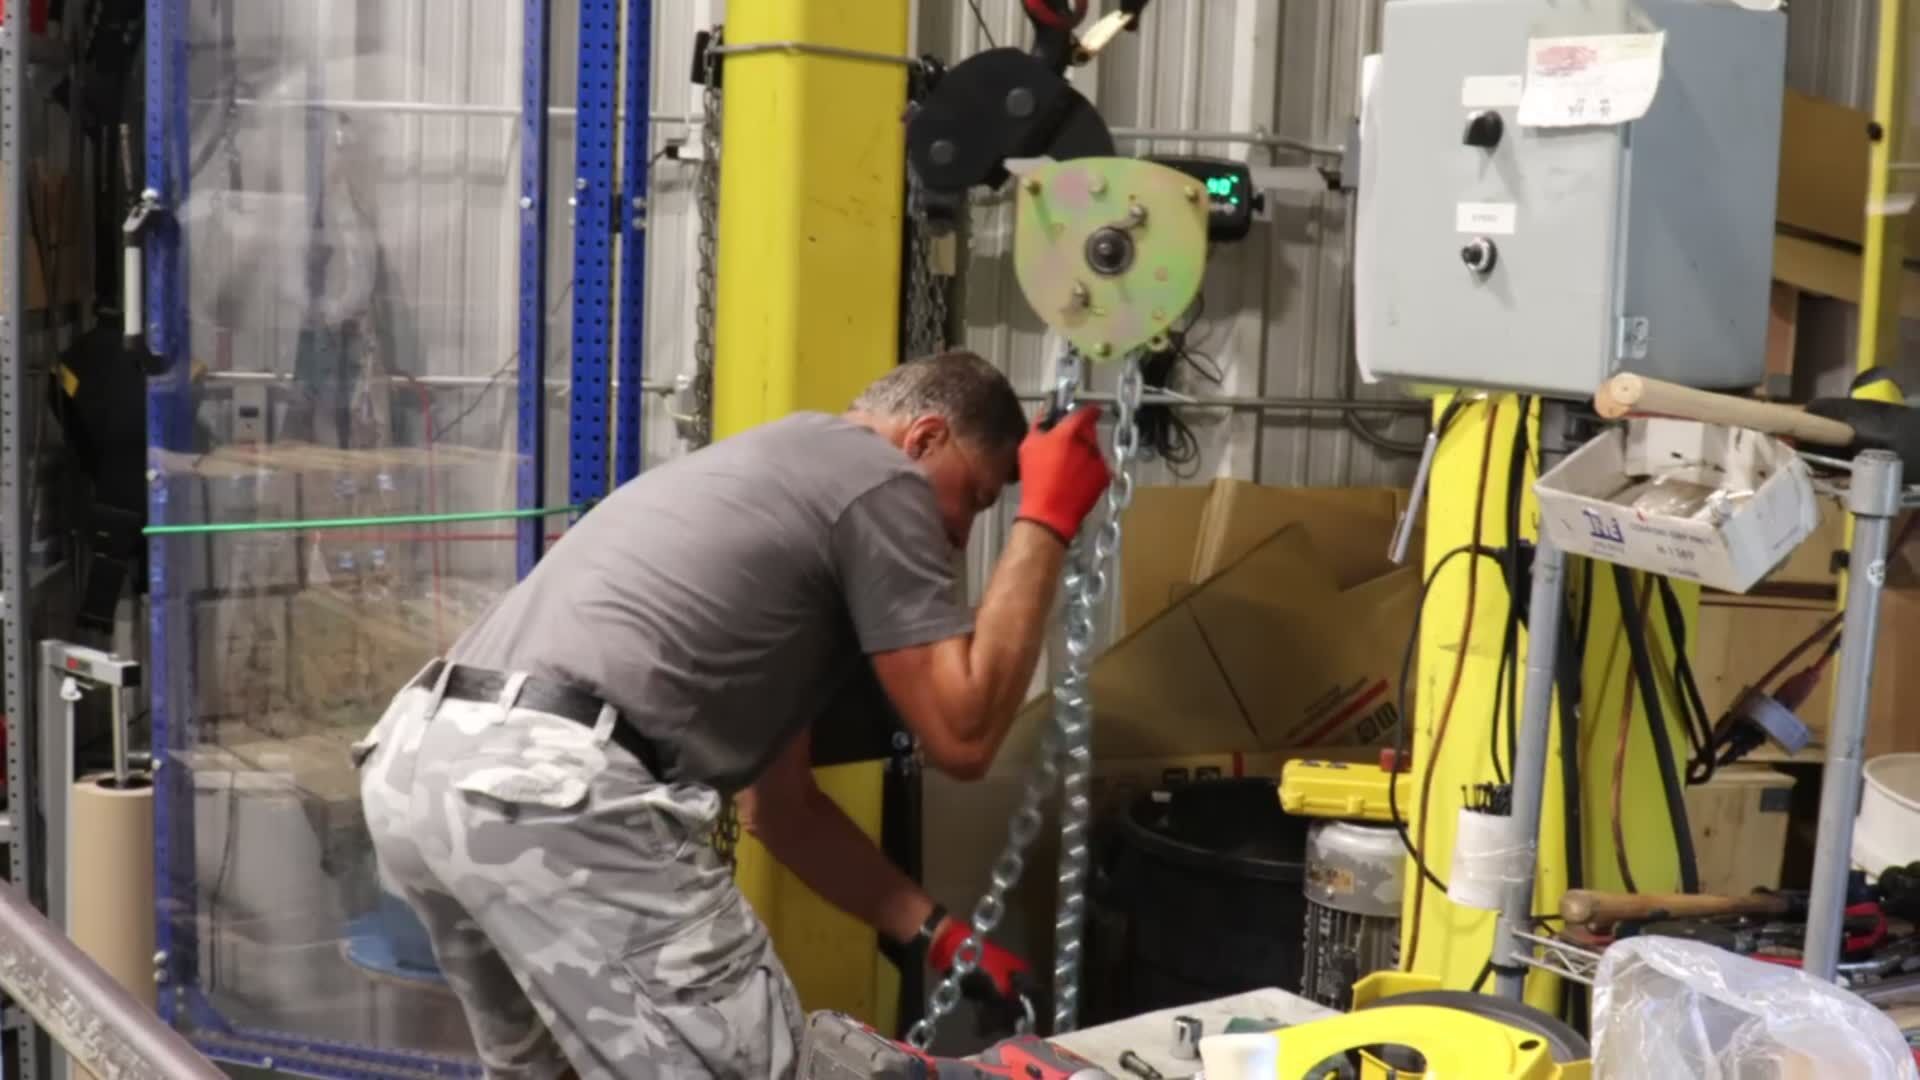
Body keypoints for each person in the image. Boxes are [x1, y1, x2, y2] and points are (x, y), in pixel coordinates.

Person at [356, 351, 1112, 1079]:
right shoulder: (879, 476)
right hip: (552, 783)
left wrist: (939, 936)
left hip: (426, 762)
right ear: (924, 439)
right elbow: (965, 733)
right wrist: (1044, 519)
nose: (961, 537)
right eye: (976, 499)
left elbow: (782, 811)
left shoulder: (778, 483)